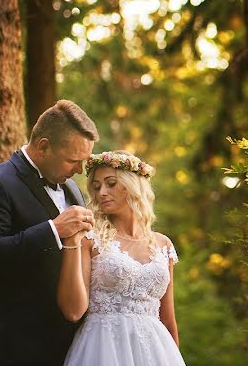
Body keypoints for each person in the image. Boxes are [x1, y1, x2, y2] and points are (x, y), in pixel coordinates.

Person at [0, 100, 99, 366]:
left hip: (69, 347)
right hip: (11, 347)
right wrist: (54, 230)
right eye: (73, 160)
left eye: (83, 162)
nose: (79, 171)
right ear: (44, 146)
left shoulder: (72, 190)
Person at [58, 150, 184, 365]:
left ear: (133, 185)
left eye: (111, 183)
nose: (101, 193)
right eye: (96, 187)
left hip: (157, 352)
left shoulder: (163, 244)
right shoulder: (89, 239)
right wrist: (72, 243)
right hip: (103, 349)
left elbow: (168, 319)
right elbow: (73, 311)